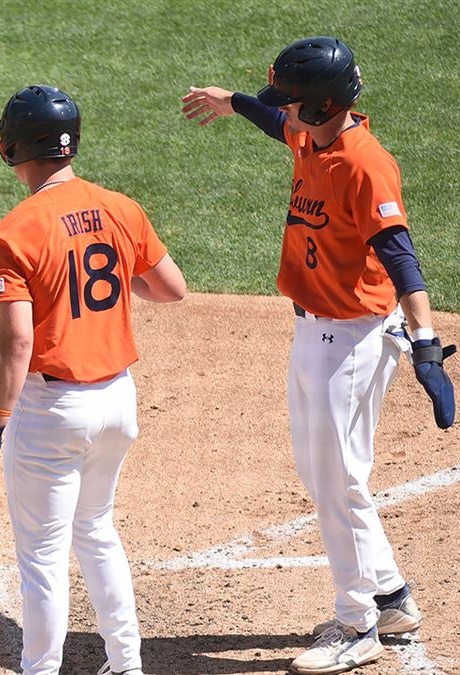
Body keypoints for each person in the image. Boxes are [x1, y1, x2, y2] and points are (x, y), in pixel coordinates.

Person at [181, 36, 455, 674]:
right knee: (325, 476)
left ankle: (357, 625)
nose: (287, 110)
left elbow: (401, 258)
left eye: (294, 100)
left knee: (338, 480)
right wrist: (233, 102)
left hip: (355, 339)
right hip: (314, 332)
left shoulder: (365, 164)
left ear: (325, 103)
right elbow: (280, 124)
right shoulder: (316, 133)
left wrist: (427, 344)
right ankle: (391, 597)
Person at [0, 84, 187, 675]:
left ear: (15, 146)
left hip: (51, 411)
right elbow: (171, 287)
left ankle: (40, 670)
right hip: (117, 402)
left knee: (41, 554)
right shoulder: (120, 207)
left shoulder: (13, 232)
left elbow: (17, 342)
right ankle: (126, 663)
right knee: (95, 530)